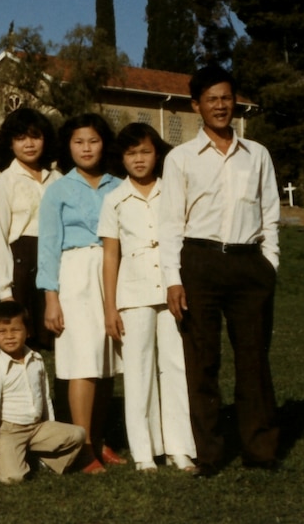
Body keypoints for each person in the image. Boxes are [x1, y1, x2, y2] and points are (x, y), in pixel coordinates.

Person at [158, 65, 281, 478]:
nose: (220, 106)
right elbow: (171, 223)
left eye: (226, 98)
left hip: (250, 265)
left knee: (253, 361)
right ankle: (209, 454)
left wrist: (270, 265)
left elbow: (270, 216)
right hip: (200, 264)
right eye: (211, 99)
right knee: (203, 362)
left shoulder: (257, 154)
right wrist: (173, 279)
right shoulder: (180, 159)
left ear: (235, 101)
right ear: (196, 106)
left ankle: (260, 450)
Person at [98, 123, 196, 473]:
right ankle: (144, 452)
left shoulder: (174, 190)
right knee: (138, 372)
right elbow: (110, 257)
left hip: (172, 288)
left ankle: (180, 447)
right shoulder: (114, 199)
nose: (138, 160)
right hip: (133, 293)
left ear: (158, 153)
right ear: (121, 158)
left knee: (175, 367)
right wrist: (110, 307)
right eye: (130, 153)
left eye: (145, 151)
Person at [37, 113, 124, 474]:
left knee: (106, 363)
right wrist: (51, 298)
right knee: (83, 363)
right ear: (68, 146)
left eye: (93, 140)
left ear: (104, 144)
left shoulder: (119, 186)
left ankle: (100, 440)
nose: (86, 148)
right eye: (78, 142)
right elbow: (48, 245)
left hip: (114, 273)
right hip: (74, 276)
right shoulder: (58, 189)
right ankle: (82, 447)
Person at [0, 300, 85, 484]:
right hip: (10, 431)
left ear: (27, 332)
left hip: (37, 427)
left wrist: (51, 426)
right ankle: (16, 457)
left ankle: (46, 460)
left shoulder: (36, 360)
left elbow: (44, 396)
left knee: (78, 434)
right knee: (13, 477)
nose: (9, 336)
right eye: (2, 332)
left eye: (16, 330)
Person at [0, 108, 61, 351]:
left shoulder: (59, 180)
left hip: (56, 262)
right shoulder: (3, 182)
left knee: (61, 342)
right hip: (21, 266)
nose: (29, 144)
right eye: (20, 138)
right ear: (10, 143)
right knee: (24, 346)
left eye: (35, 136)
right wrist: (5, 290)